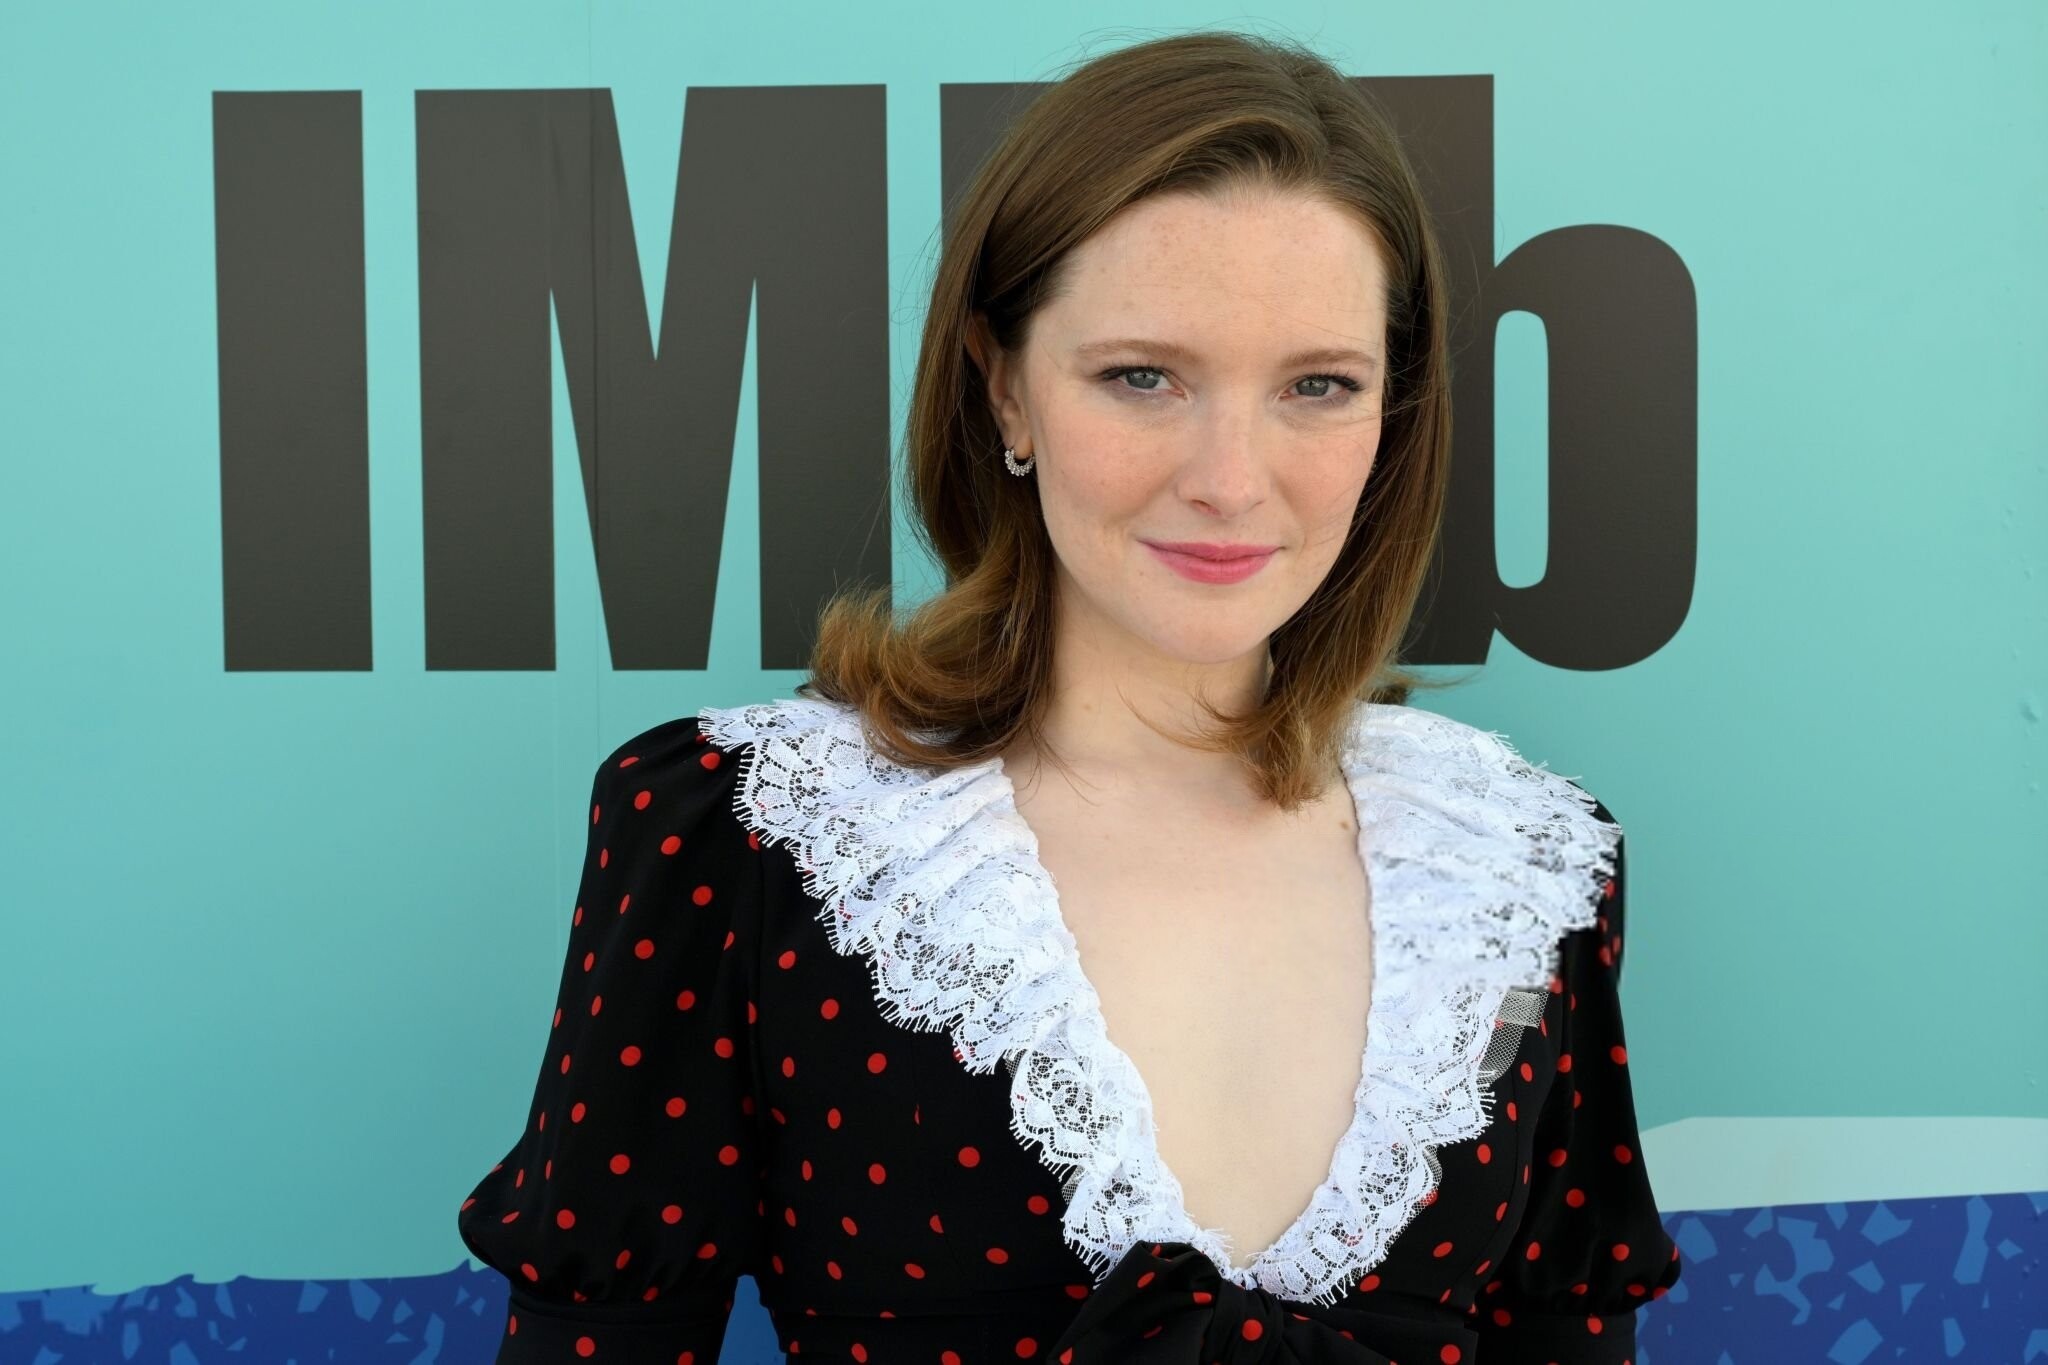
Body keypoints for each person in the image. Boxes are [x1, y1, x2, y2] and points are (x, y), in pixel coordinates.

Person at [456, 27, 1683, 1364]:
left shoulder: (1523, 868)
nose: (1230, 478)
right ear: (1004, 388)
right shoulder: (747, 834)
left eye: (1318, 385)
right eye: (1142, 376)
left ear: (1393, 413)